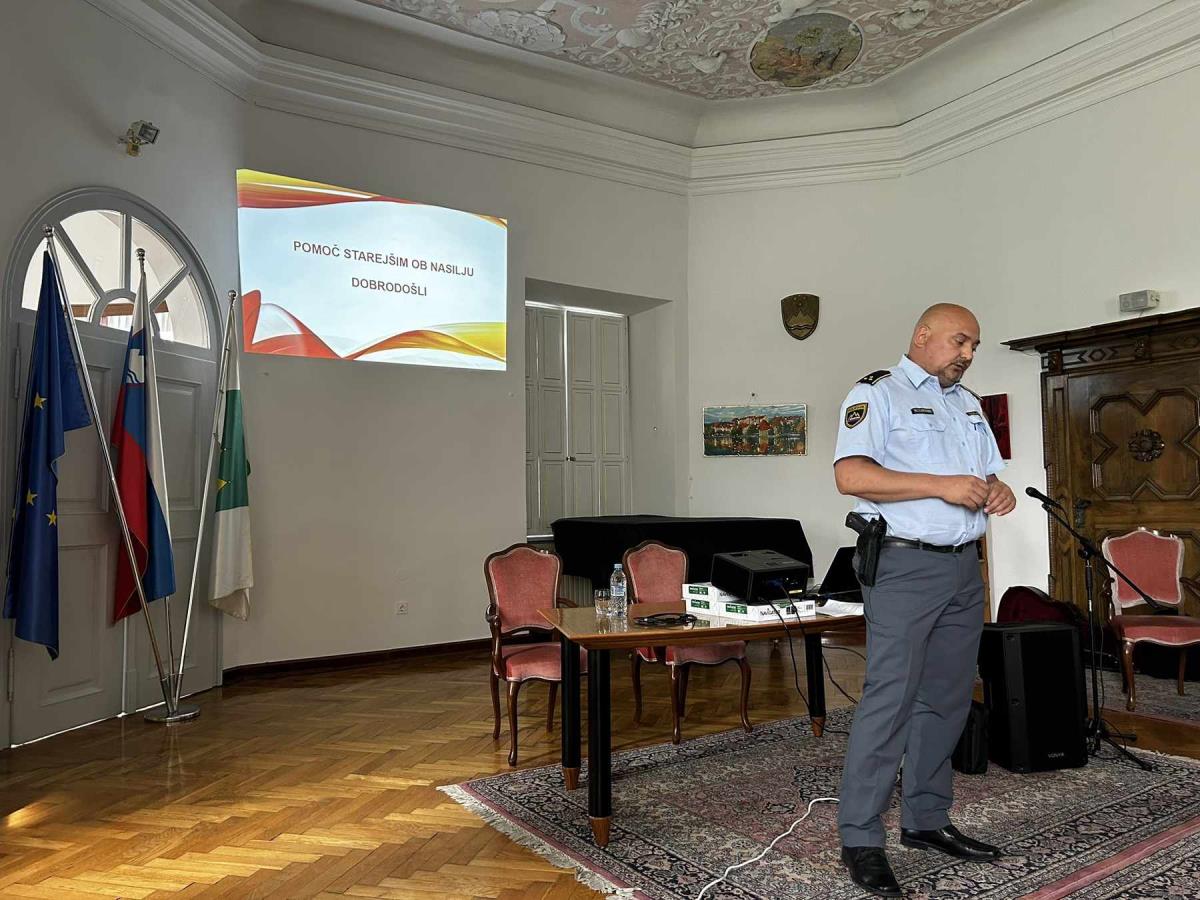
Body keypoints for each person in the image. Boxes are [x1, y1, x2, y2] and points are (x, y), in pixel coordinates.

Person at [833, 303, 1016, 897]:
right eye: (960, 341)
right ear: (923, 335)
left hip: (963, 568)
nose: (968, 353)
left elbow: (987, 475)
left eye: (974, 345)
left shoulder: (968, 404)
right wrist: (941, 486)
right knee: (891, 699)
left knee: (947, 698)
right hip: (904, 566)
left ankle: (927, 820)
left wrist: (999, 491)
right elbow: (851, 475)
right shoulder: (876, 394)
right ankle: (861, 839)